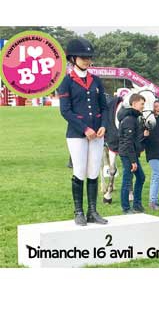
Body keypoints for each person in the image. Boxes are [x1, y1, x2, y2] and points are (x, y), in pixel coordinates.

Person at [59, 37, 109, 226]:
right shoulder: (67, 82)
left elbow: (104, 107)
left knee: (94, 171)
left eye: (89, 58)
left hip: (97, 133)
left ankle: (93, 211)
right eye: (83, 57)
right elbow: (65, 110)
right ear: (73, 59)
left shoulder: (96, 80)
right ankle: (78, 211)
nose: (87, 61)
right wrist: (85, 128)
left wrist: (104, 125)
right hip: (77, 134)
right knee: (80, 170)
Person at [118, 93, 148, 214]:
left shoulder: (134, 118)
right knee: (127, 179)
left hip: (131, 153)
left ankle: (137, 204)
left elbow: (134, 139)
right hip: (127, 154)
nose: (143, 106)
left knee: (141, 177)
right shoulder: (130, 119)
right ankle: (126, 208)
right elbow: (128, 142)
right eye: (142, 104)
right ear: (134, 104)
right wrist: (133, 161)